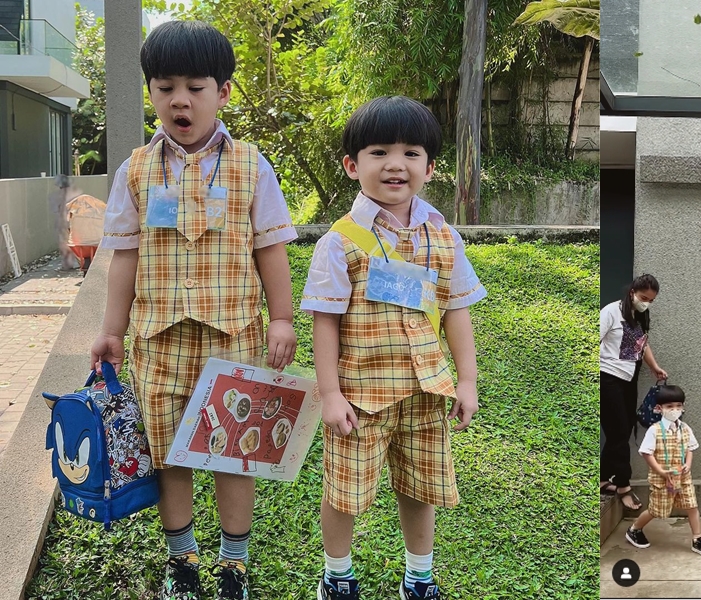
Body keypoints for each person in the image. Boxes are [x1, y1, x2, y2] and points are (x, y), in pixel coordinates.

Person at [90, 20, 298, 600]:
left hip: (233, 337)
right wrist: (112, 330)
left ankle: (234, 565)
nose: (180, 99)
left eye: (195, 86)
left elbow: (270, 249)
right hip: (157, 342)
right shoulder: (134, 170)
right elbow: (125, 259)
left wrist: (281, 318)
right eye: (165, 86)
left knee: (234, 455)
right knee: (169, 457)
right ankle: (181, 560)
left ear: (223, 92)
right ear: (152, 92)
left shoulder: (251, 165)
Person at [301, 95, 486, 600]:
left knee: (420, 486)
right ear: (351, 165)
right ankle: (337, 576)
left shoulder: (443, 237)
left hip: (427, 394)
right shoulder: (340, 242)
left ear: (429, 165)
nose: (395, 165)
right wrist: (331, 394)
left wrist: (466, 381)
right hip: (360, 398)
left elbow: (457, 311)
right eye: (379, 151)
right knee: (344, 492)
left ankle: (419, 577)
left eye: (411, 152)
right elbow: (325, 322)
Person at [600, 274, 669, 511]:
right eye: (643, 297)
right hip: (608, 377)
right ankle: (623, 485)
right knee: (619, 430)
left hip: (629, 378)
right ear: (632, 293)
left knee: (625, 427)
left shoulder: (639, 316)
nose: (646, 303)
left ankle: (602, 477)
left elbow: (643, 344)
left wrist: (655, 367)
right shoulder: (611, 312)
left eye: (651, 300)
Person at [623, 384, 701, 558]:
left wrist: (688, 463)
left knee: (692, 505)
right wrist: (661, 471)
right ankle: (634, 529)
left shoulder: (685, 428)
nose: (675, 410)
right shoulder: (655, 430)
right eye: (670, 407)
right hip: (662, 479)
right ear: (659, 408)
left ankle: (698, 538)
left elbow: (690, 448)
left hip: (683, 476)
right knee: (656, 510)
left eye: (678, 406)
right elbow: (646, 453)